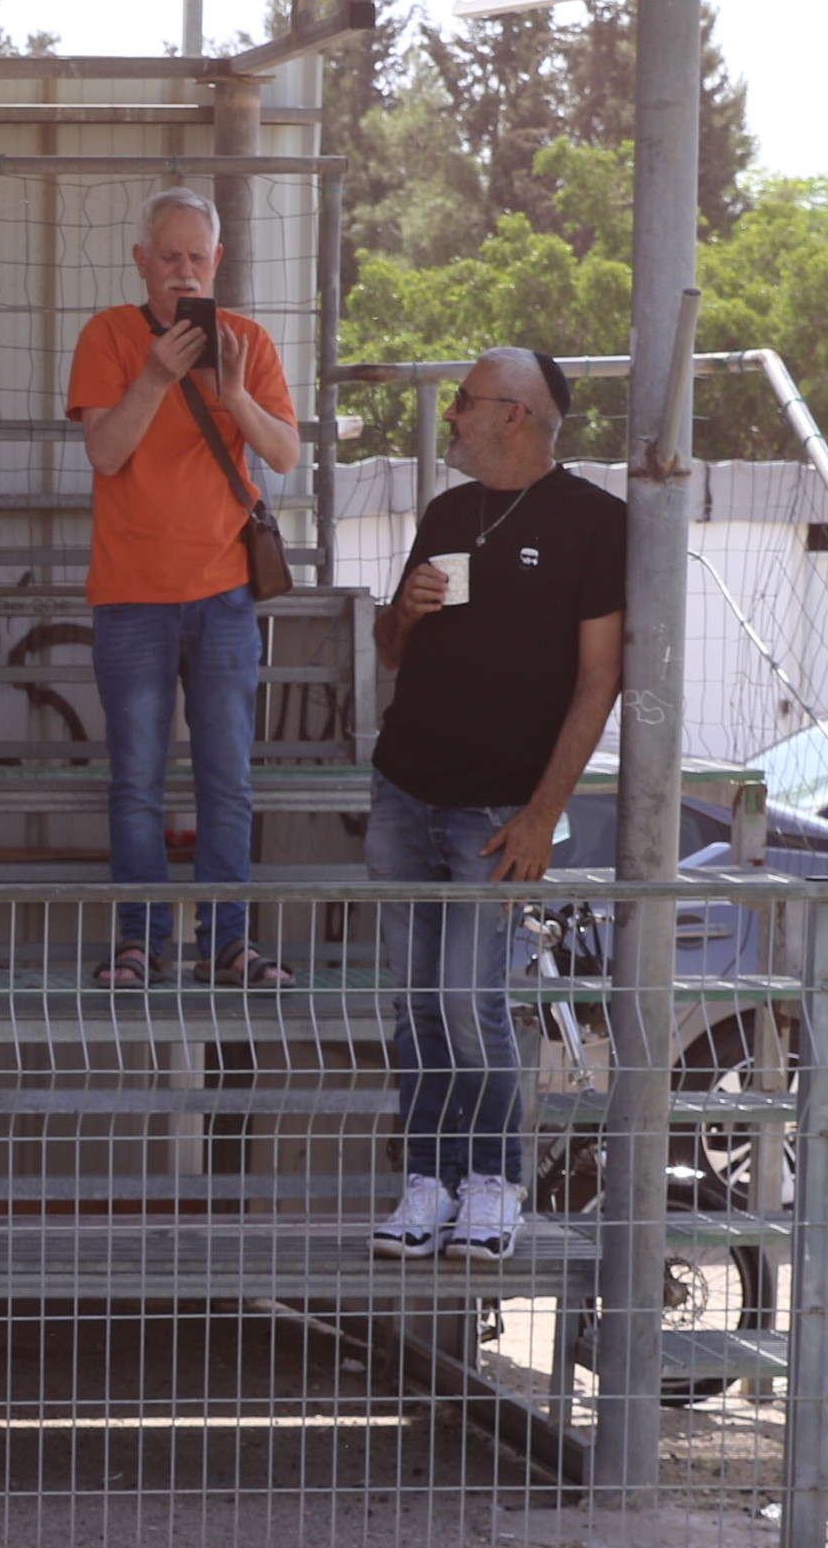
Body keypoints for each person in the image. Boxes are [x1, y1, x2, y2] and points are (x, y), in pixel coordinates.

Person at [364, 348, 625, 1263]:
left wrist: (541, 814)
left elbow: (600, 681)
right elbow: (388, 648)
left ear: (513, 413)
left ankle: (493, 1183)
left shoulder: (596, 522)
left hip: (496, 812)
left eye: (466, 402)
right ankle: (427, 1183)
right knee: (414, 1003)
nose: (453, 417)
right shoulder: (446, 511)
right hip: (404, 791)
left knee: (472, 1004)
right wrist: (404, 609)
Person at [67, 185, 303, 991]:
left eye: (196, 258)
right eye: (168, 257)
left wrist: (231, 391)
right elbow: (105, 453)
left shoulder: (246, 341)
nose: (182, 272)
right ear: (142, 262)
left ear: (217, 263)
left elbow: (284, 455)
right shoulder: (107, 334)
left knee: (226, 779)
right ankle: (141, 941)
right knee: (135, 778)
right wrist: (159, 378)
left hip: (225, 594)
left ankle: (227, 944)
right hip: (131, 595)